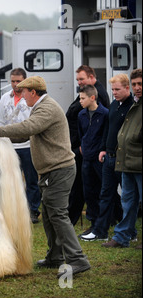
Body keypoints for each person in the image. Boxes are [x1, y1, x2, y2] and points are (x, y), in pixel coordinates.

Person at [0, 76, 91, 278]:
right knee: (48, 215)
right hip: (52, 170)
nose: (21, 96)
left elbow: (29, 127)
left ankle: (77, 259)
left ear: (33, 92)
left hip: (59, 170)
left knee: (58, 214)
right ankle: (55, 257)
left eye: (23, 92)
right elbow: (24, 134)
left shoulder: (46, 108)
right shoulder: (41, 107)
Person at [80, 74, 133, 241]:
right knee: (105, 195)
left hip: (124, 158)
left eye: (117, 89)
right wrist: (103, 149)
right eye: (113, 90)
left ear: (127, 88)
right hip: (109, 157)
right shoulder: (114, 106)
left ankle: (129, 232)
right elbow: (108, 131)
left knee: (128, 196)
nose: (114, 92)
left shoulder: (132, 107)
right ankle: (100, 231)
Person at [66, 65, 110, 227]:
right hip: (81, 147)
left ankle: (76, 218)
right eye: (77, 79)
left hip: (87, 150)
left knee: (85, 187)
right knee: (83, 186)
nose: (79, 82)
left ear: (92, 77)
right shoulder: (84, 95)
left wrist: (84, 147)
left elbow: (96, 126)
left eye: (82, 79)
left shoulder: (98, 96)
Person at [103, 68, 142, 248]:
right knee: (127, 201)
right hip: (127, 161)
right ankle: (122, 237)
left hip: (139, 161)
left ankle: (123, 235)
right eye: (135, 84)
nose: (137, 87)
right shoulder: (135, 103)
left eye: (140, 84)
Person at [0, 68, 41, 223]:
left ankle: (32, 210)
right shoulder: (4, 98)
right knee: (10, 180)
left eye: (18, 81)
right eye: (13, 81)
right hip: (9, 145)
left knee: (31, 180)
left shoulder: (31, 98)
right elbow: (0, 122)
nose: (15, 84)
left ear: (25, 80)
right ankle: (13, 210)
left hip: (28, 144)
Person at [77, 85, 109, 235]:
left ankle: (107, 221)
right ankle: (94, 223)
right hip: (87, 158)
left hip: (99, 159)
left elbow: (105, 135)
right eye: (79, 98)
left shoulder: (104, 114)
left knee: (103, 191)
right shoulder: (81, 115)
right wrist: (82, 146)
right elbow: (81, 133)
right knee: (88, 191)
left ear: (92, 98)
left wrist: (101, 149)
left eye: (83, 98)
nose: (80, 101)